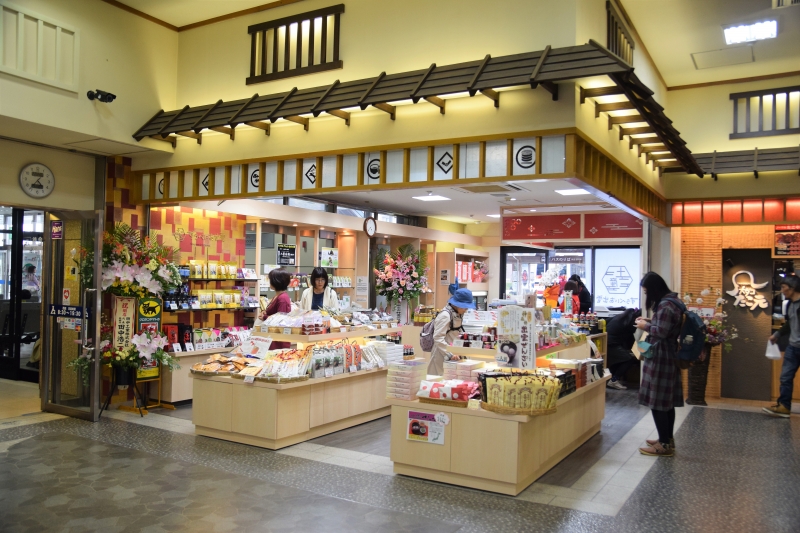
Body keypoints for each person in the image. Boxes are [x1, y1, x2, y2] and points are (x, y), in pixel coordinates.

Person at [636, 272, 683, 457]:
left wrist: (645, 326)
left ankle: (663, 444)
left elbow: (661, 332)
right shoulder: (674, 301)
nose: (647, 295)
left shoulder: (665, 306)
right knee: (666, 401)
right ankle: (667, 438)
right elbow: (667, 326)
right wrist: (650, 321)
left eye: (647, 291)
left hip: (660, 357)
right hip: (669, 354)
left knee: (657, 401)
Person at [763, 274, 800, 418]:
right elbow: (790, 323)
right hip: (792, 347)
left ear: (793, 287)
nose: (782, 290)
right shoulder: (790, 304)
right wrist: (776, 335)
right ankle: (784, 406)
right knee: (785, 377)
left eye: (784, 287)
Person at [427, 288, 474, 376]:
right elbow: (438, 337)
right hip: (441, 354)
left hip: (453, 354)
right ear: (457, 304)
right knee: (439, 380)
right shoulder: (445, 315)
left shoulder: (457, 314)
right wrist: (449, 353)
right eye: (465, 307)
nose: (466, 309)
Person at [605, 307, 640, 390]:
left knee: (619, 361)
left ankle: (610, 379)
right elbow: (629, 339)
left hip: (606, 341)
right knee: (629, 360)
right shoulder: (630, 322)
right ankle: (614, 380)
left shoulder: (620, 317)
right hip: (612, 343)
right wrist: (633, 350)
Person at [259, 270, 293, 350]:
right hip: (272, 337)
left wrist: (265, 317)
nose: (269, 282)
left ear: (276, 281)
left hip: (278, 340)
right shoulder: (278, 296)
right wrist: (265, 312)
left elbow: (280, 320)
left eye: (270, 280)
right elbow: (275, 314)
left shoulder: (282, 298)